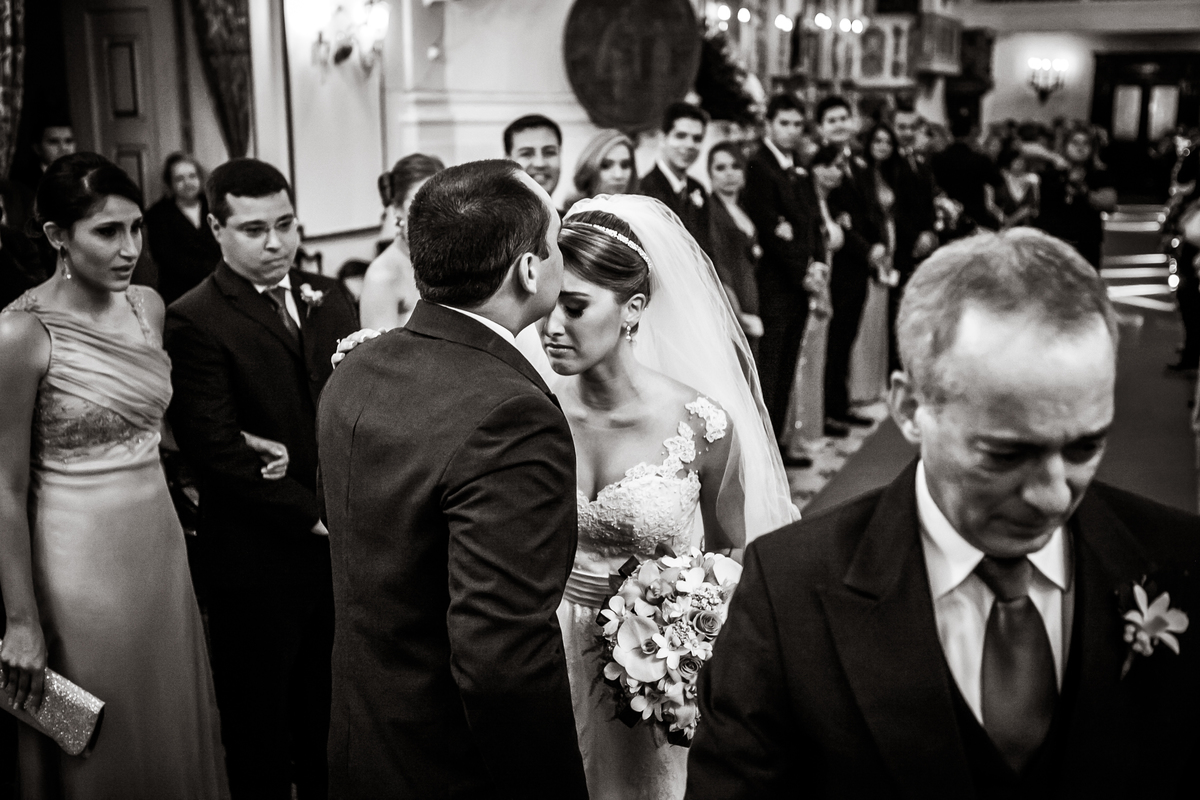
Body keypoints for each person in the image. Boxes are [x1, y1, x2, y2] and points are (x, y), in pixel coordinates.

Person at [686, 227, 1200, 798]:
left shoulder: (1180, 561)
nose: (1054, 497)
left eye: (1084, 447)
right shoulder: (791, 590)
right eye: (1005, 453)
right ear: (909, 409)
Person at [317, 160, 587, 798]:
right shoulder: (512, 414)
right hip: (452, 763)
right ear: (528, 268)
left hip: (364, 733)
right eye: (556, 243)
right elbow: (503, 656)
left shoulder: (359, 365)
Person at [544, 194, 796, 799]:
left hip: (652, 655)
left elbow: (731, 550)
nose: (553, 327)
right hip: (541, 644)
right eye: (547, 305)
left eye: (574, 307)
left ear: (633, 310)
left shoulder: (702, 425)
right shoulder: (531, 413)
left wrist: (681, 624)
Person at [0, 153, 228, 797]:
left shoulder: (147, 307)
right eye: (107, 232)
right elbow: (5, 488)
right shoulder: (20, 333)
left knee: (169, 710)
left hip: (159, 549)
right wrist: (21, 621)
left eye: (136, 229)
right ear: (56, 237)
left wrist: (238, 440)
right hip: (76, 564)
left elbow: (147, 420)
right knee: (100, 727)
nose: (129, 248)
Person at [164, 158, 359, 800]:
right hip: (257, 560)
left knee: (328, 720)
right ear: (217, 228)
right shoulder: (194, 317)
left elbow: (359, 405)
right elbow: (214, 447)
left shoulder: (329, 296)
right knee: (260, 732)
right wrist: (312, 512)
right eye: (253, 230)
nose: (276, 243)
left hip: (337, 557)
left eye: (285, 225)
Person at [743, 94, 821, 453]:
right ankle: (766, 453)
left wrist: (818, 263)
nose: (790, 131)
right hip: (775, 287)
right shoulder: (758, 167)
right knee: (769, 375)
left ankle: (780, 448)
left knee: (788, 370)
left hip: (801, 285)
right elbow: (770, 229)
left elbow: (812, 221)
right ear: (769, 124)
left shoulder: (799, 166)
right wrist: (801, 273)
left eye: (796, 125)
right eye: (784, 123)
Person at [816, 97, 886, 432]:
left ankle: (841, 405)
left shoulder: (858, 162)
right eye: (832, 120)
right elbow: (839, 219)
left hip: (859, 266)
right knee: (834, 342)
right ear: (821, 127)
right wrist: (866, 249)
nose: (840, 124)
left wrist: (880, 243)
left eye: (844, 117)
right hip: (839, 263)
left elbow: (869, 210)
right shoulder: (822, 162)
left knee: (846, 340)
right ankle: (827, 411)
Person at [848, 123, 901, 406]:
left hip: (888, 242)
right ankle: (859, 386)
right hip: (872, 248)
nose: (882, 146)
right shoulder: (861, 173)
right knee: (867, 316)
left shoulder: (887, 173)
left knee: (880, 317)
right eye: (877, 141)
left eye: (887, 142)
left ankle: (874, 384)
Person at [360, 153, 444, 330]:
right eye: (421, 205)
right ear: (396, 210)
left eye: (442, 202)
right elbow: (380, 355)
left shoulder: (450, 260)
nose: (435, 216)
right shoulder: (382, 276)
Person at [145, 153, 223, 305]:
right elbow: (166, 258)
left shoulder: (217, 207)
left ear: (200, 178)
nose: (187, 183)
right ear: (170, 184)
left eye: (192, 176)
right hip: (179, 295)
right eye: (179, 179)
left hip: (220, 289)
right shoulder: (158, 214)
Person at [706, 141, 763, 350]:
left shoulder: (744, 208)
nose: (729, 173)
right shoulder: (711, 211)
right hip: (731, 306)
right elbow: (718, 262)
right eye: (720, 168)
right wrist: (737, 313)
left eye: (735, 166)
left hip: (753, 299)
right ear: (710, 173)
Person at [1037, 126, 1116, 269]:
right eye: (1075, 143)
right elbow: (1022, 149)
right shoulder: (1050, 173)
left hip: (1086, 243)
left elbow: (1110, 203)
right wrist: (1054, 158)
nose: (1080, 148)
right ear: (1065, 145)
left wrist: (1085, 191)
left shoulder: (1098, 173)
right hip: (1054, 243)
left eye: (1085, 143)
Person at [639, 102, 712, 255]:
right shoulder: (644, 190)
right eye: (680, 136)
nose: (689, 145)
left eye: (697, 138)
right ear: (663, 138)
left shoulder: (697, 188)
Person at [932, 114, 1004, 232]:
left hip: (948, 216)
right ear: (972, 131)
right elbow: (997, 181)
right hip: (976, 216)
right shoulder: (979, 159)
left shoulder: (938, 158)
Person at [565, 128, 638, 212]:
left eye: (625, 165)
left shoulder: (644, 214)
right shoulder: (572, 217)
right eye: (606, 166)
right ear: (589, 170)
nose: (618, 175)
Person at [504, 113, 563, 199]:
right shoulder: (487, 212)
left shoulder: (575, 212)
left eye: (549, 152)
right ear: (507, 161)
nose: (540, 163)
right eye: (526, 153)